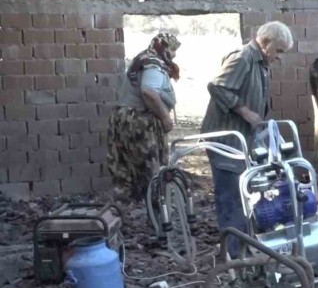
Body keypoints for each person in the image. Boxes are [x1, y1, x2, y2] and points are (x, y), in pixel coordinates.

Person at [201, 21, 294, 259]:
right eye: (279, 50)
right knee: (231, 195)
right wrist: (244, 111)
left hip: (245, 139)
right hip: (226, 140)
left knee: (247, 191)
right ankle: (232, 256)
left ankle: (244, 244)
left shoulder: (261, 63)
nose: (280, 57)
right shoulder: (243, 58)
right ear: (264, 43)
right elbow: (217, 86)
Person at [108, 32, 181, 202]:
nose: (175, 53)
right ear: (163, 47)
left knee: (126, 169)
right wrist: (165, 117)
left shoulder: (145, 58)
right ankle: (154, 209)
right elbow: (148, 92)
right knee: (148, 169)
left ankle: (128, 209)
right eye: (172, 49)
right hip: (139, 122)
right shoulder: (153, 64)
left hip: (127, 118)